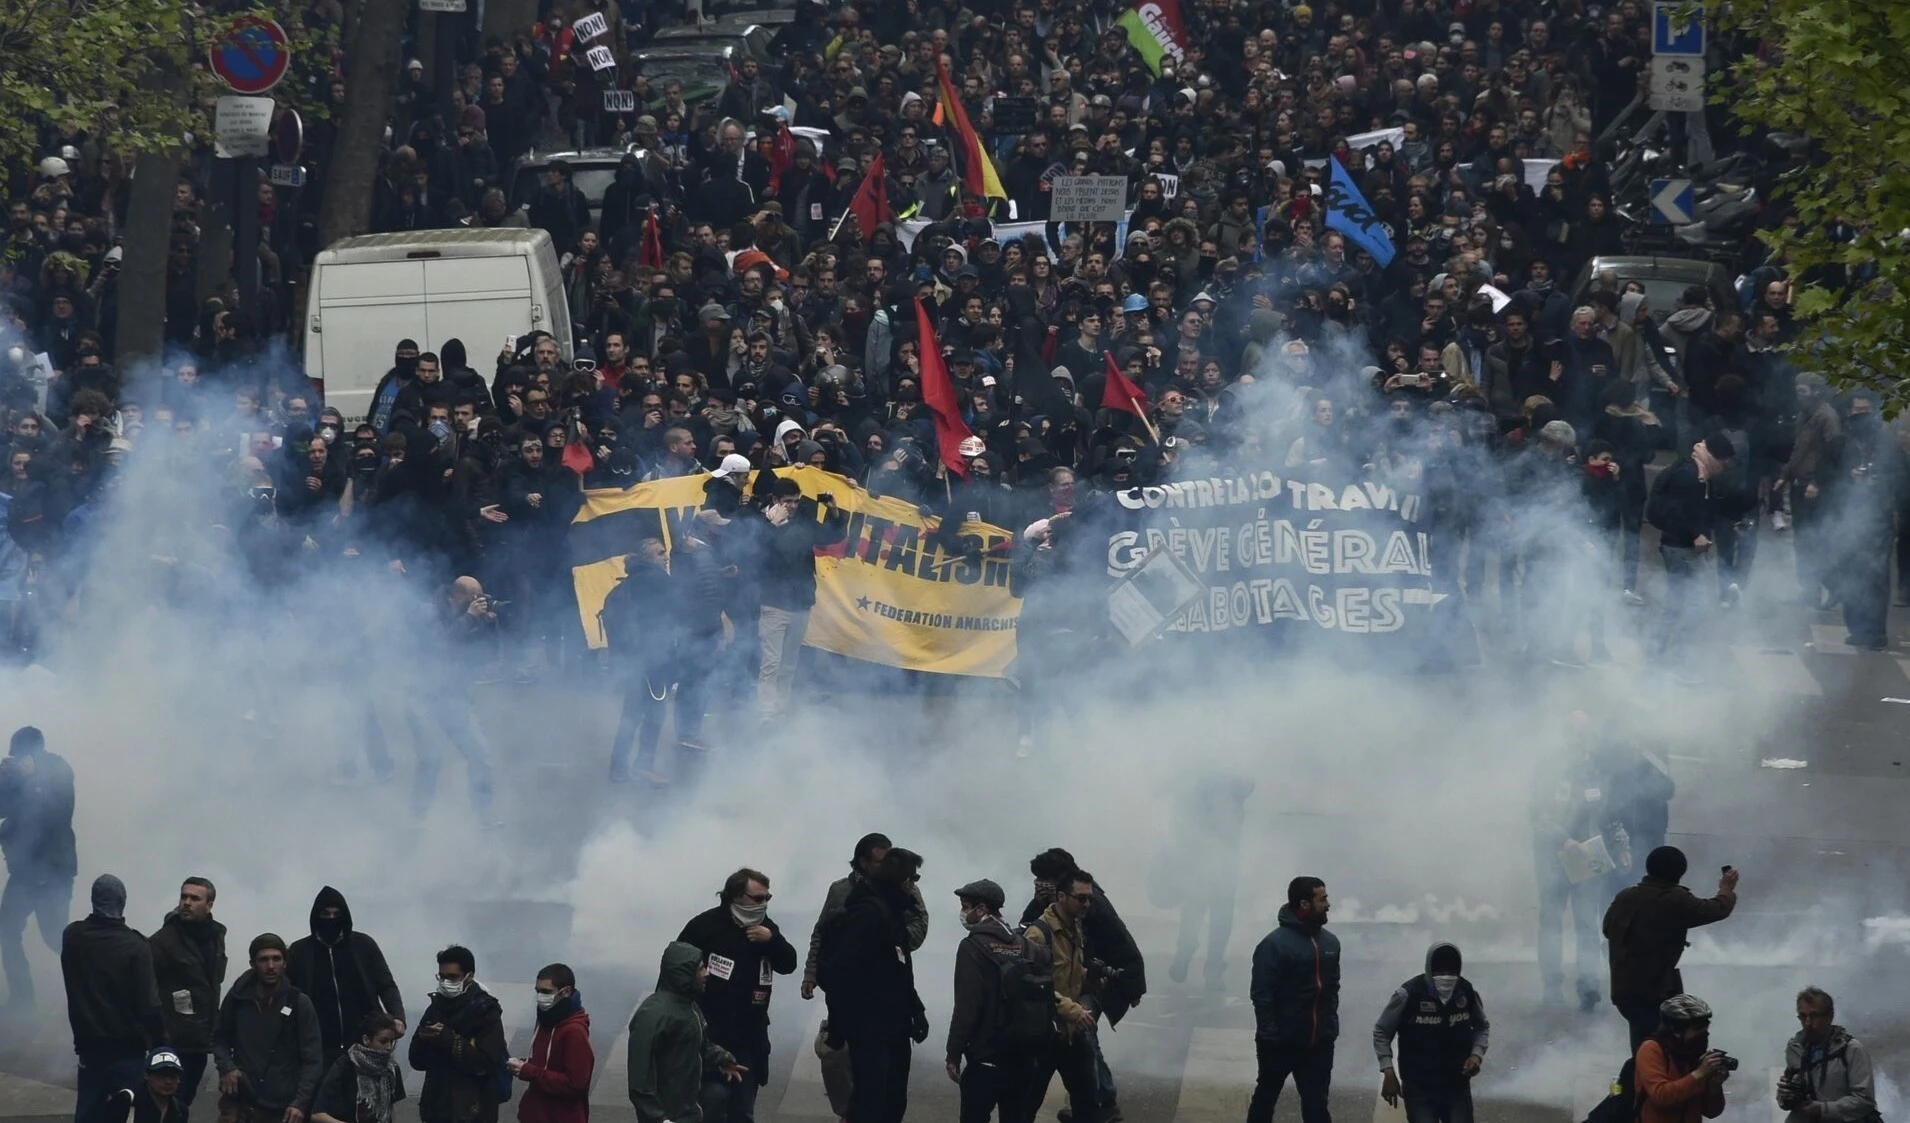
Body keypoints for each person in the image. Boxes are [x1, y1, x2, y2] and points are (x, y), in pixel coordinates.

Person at [800, 834, 926, 1121]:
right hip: (870, 1025)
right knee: (870, 1100)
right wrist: (844, 1020)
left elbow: (899, 967)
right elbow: (840, 968)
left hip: (894, 1022)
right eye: (911, 878)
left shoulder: (894, 911)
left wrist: (915, 1009)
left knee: (892, 1099)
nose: (914, 885)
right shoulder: (868, 912)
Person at [1016, 849, 1145, 1122]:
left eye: (1045, 879)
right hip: (1067, 988)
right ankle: (1094, 1101)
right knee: (1075, 1043)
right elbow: (1026, 931)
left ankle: (1102, 1102)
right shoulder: (1054, 908)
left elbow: (1122, 942)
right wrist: (1037, 903)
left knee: (1084, 1033)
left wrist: (1132, 985)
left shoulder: (1088, 903)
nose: (1040, 884)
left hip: (1098, 982)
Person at [677, 869, 797, 1123]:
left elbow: (789, 963)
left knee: (742, 1110)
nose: (763, 904)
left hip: (749, 1037)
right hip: (711, 1034)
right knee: (711, 1103)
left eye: (767, 898)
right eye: (757, 898)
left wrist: (771, 941)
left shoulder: (766, 927)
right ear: (736, 895)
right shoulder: (705, 926)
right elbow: (676, 968)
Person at [1530, 713, 1623, 1010]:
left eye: (1586, 733)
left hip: (1588, 853)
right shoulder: (1548, 769)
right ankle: (1552, 986)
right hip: (1552, 855)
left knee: (1586, 922)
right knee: (1552, 923)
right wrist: (1564, 840)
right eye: (1576, 733)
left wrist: (1621, 843)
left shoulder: (1596, 768)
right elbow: (1538, 814)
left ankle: (1588, 985)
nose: (1583, 739)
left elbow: (1608, 812)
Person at [1603, 847, 1739, 1051]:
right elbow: (1718, 908)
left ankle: (1641, 1077)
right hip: (1655, 990)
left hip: (1624, 990)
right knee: (1659, 1049)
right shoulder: (1676, 899)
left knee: (1642, 1042)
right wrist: (1726, 888)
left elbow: (1607, 929)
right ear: (1679, 873)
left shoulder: (1626, 897)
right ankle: (1652, 1080)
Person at [63, 872, 164, 1123]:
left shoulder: (73, 936)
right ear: (123, 900)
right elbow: (150, 1005)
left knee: (89, 1112)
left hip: (89, 1048)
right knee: (130, 1113)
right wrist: (161, 1043)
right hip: (127, 1050)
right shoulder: (135, 946)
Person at [946, 878, 1048, 1123]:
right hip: (1024, 1054)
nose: (963, 912)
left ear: (981, 909)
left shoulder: (972, 947)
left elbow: (967, 1005)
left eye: (965, 905)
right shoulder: (1025, 945)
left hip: (986, 1056)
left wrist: (954, 1051)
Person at [1247, 877, 1341, 1123]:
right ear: (1304, 904)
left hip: (1318, 1044)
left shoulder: (1330, 943)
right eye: (1322, 899)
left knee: (1317, 1106)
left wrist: (1330, 1028)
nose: (1328, 904)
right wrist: (1270, 1035)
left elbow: (1332, 989)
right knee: (1265, 1101)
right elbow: (1261, 994)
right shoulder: (1273, 945)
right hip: (1280, 1043)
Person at [626, 942, 749, 1123]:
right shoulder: (652, 1016)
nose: (707, 973)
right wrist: (660, 1119)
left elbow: (698, 1046)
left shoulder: (688, 1006)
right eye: (701, 969)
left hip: (688, 1113)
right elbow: (640, 1080)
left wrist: (721, 1058)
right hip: (670, 1116)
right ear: (684, 974)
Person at [0, 724, 77, 1010]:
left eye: (18, 755)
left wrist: (32, 780)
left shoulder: (57, 771)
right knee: (6, 929)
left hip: (52, 869)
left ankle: (93, 985)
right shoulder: (18, 776)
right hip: (25, 872)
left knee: (55, 937)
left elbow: (58, 817)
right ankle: (22, 999)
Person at [286, 887, 406, 1066]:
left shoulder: (363, 945)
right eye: (325, 914)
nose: (331, 919)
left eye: (336, 913)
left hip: (366, 1041)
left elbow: (386, 984)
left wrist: (397, 1016)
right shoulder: (300, 951)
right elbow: (288, 995)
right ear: (316, 916)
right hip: (318, 1045)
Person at [211, 933, 324, 1123]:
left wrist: (299, 1103)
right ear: (253, 964)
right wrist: (227, 1068)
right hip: (242, 1103)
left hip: (283, 1109)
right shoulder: (237, 999)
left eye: (276, 959)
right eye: (263, 959)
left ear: (285, 963)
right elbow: (218, 1038)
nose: (270, 966)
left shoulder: (299, 1003)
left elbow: (312, 1060)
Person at [1373, 943, 1489, 1123]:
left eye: (1452, 971)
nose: (1446, 977)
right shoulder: (1408, 994)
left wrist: (1476, 1055)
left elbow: (1482, 1027)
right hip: (1419, 1087)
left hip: (1457, 1086)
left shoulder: (1466, 993)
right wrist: (1388, 1071)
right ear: (1429, 968)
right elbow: (1381, 1031)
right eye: (1440, 971)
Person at [1023, 870, 1102, 1123]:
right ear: (1061, 897)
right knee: (1025, 1104)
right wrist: (1072, 1009)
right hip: (1043, 1034)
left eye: (1089, 898)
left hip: (1070, 1034)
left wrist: (1094, 979)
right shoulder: (1038, 934)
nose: (1086, 904)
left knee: (1087, 1101)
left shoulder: (1073, 929)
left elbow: (1070, 974)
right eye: (1081, 898)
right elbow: (1031, 986)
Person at [149, 877, 227, 1106]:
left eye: (195, 898)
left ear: (209, 904)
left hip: (200, 1042)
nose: (186, 902)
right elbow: (145, 989)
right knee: (167, 1105)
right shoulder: (163, 941)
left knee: (184, 1104)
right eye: (184, 896)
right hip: (172, 1042)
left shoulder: (216, 937)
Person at [408, 945, 508, 1123]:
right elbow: (416, 1061)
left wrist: (448, 1039)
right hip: (436, 1107)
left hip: (473, 1110)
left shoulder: (486, 1012)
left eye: (453, 977)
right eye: (442, 977)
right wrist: (423, 1039)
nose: (446, 982)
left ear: (469, 976)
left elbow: (485, 1064)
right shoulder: (435, 1007)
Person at [1777, 987, 1877, 1123]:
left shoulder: (1851, 1050)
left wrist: (1823, 1109)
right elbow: (1790, 1090)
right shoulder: (1796, 1049)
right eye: (1803, 1016)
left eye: (1814, 1016)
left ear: (1830, 1016)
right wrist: (1785, 1096)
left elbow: (1864, 1100)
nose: (1808, 1023)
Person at [508, 964, 593, 1123]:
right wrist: (522, 1064)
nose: (540, 997)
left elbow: (575, 1084)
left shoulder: (574, 1032)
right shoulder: (545, 1019)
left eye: (546, 992)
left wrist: (529, 1071)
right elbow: (546, 1064)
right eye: (538, 991)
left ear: (566, 991)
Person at [1634, 994, 1728, 1123]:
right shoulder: (1651, 1049)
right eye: (1697, 1029)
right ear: (1676, 1030)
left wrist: (1715, 1085)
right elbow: (1661, 1096)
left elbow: (1711, 1112)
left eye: (1705, 1030)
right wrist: (1699, 1073)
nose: (1703, 1036)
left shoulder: (1692, 1054)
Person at [310, 1013, 406, 1123]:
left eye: (392, 1042)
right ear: (366, 1040)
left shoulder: (391, 1069)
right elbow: (317, 1114)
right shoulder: (345, 1065)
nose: (389, 1047)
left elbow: (393, 1109)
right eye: (383, 1041)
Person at [130, 1048, 190, 1123]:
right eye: (162, 1075)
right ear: (147, 1075)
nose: (168, 1081)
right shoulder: (128, 1105)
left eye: (173, 1076)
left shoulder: (180, 1111)